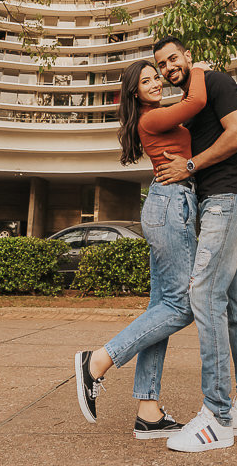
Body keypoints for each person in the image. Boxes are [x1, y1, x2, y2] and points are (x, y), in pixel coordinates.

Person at [74, 57, 208, 440]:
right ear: (134, 91)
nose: (156, 83)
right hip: (170, 205)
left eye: (156, 78)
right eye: (147, 80)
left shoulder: (159, 115)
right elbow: (196, 102)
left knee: (160, 308)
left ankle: (148, 413)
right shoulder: (151, 118)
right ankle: (98, 360)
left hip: (168, 204)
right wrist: (196, 67)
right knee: (182, 306)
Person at [152, 35, 237, 453]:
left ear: (187, 56)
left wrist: (190, 166)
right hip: (221, 202)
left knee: (203, 292)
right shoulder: (191, 103)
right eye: (162, 65)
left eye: (172, 59)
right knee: (235, 305)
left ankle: (217, 417)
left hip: (229, 196)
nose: (168, 68)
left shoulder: (216, 81)